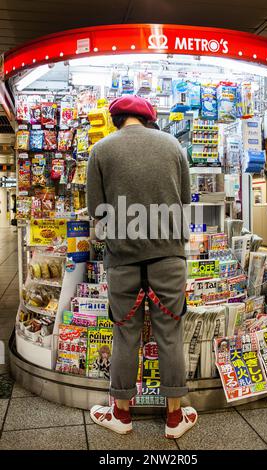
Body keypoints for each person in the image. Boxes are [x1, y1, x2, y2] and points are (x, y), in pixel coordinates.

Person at [87, 95, 197, 439]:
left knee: (125, 335)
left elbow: (96, 210)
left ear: (117, 119)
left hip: (122, 261)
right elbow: (183, 203)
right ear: (149, 119)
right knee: (170, 335)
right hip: (169, 259)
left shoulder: (100, 151)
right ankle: (175, 419)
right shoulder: (173, 147)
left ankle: (121, 414)